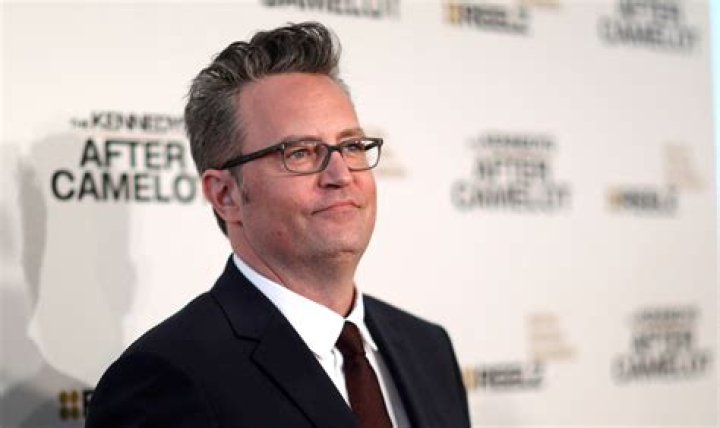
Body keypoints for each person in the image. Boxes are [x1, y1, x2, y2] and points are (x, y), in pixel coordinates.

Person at [86, 22, 470, 428]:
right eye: (300, 153)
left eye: (352, 146)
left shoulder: (428, 348)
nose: (341, 175)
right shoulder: (166, 381)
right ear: (225, 194)